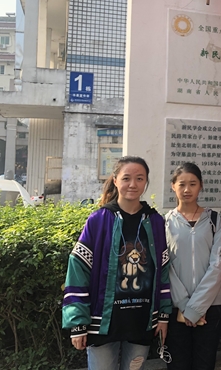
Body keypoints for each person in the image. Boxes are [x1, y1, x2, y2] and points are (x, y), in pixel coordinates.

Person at [62, 156, 171, 370]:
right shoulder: (98, 220)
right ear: (115, 180)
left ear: (146, 182)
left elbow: (163, 269)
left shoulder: (155, 221)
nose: (133, 184)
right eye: (126, 178)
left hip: (141, 320)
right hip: (102, 322)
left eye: (139, 178)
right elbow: (78, 268)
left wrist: (164, 315)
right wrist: (77, 323)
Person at [164, 163, 221, 370]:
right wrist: (185, 306)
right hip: (176, 308)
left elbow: (217, 265)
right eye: (182, 184)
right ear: (173, 186)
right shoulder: (165, 222)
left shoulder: (215, 221)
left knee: (205, 364)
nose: (187, 189)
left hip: (210, 308)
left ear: (201, 185)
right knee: (177, 365)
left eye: (192, 184)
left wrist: (196, 308)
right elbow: (166, 267)